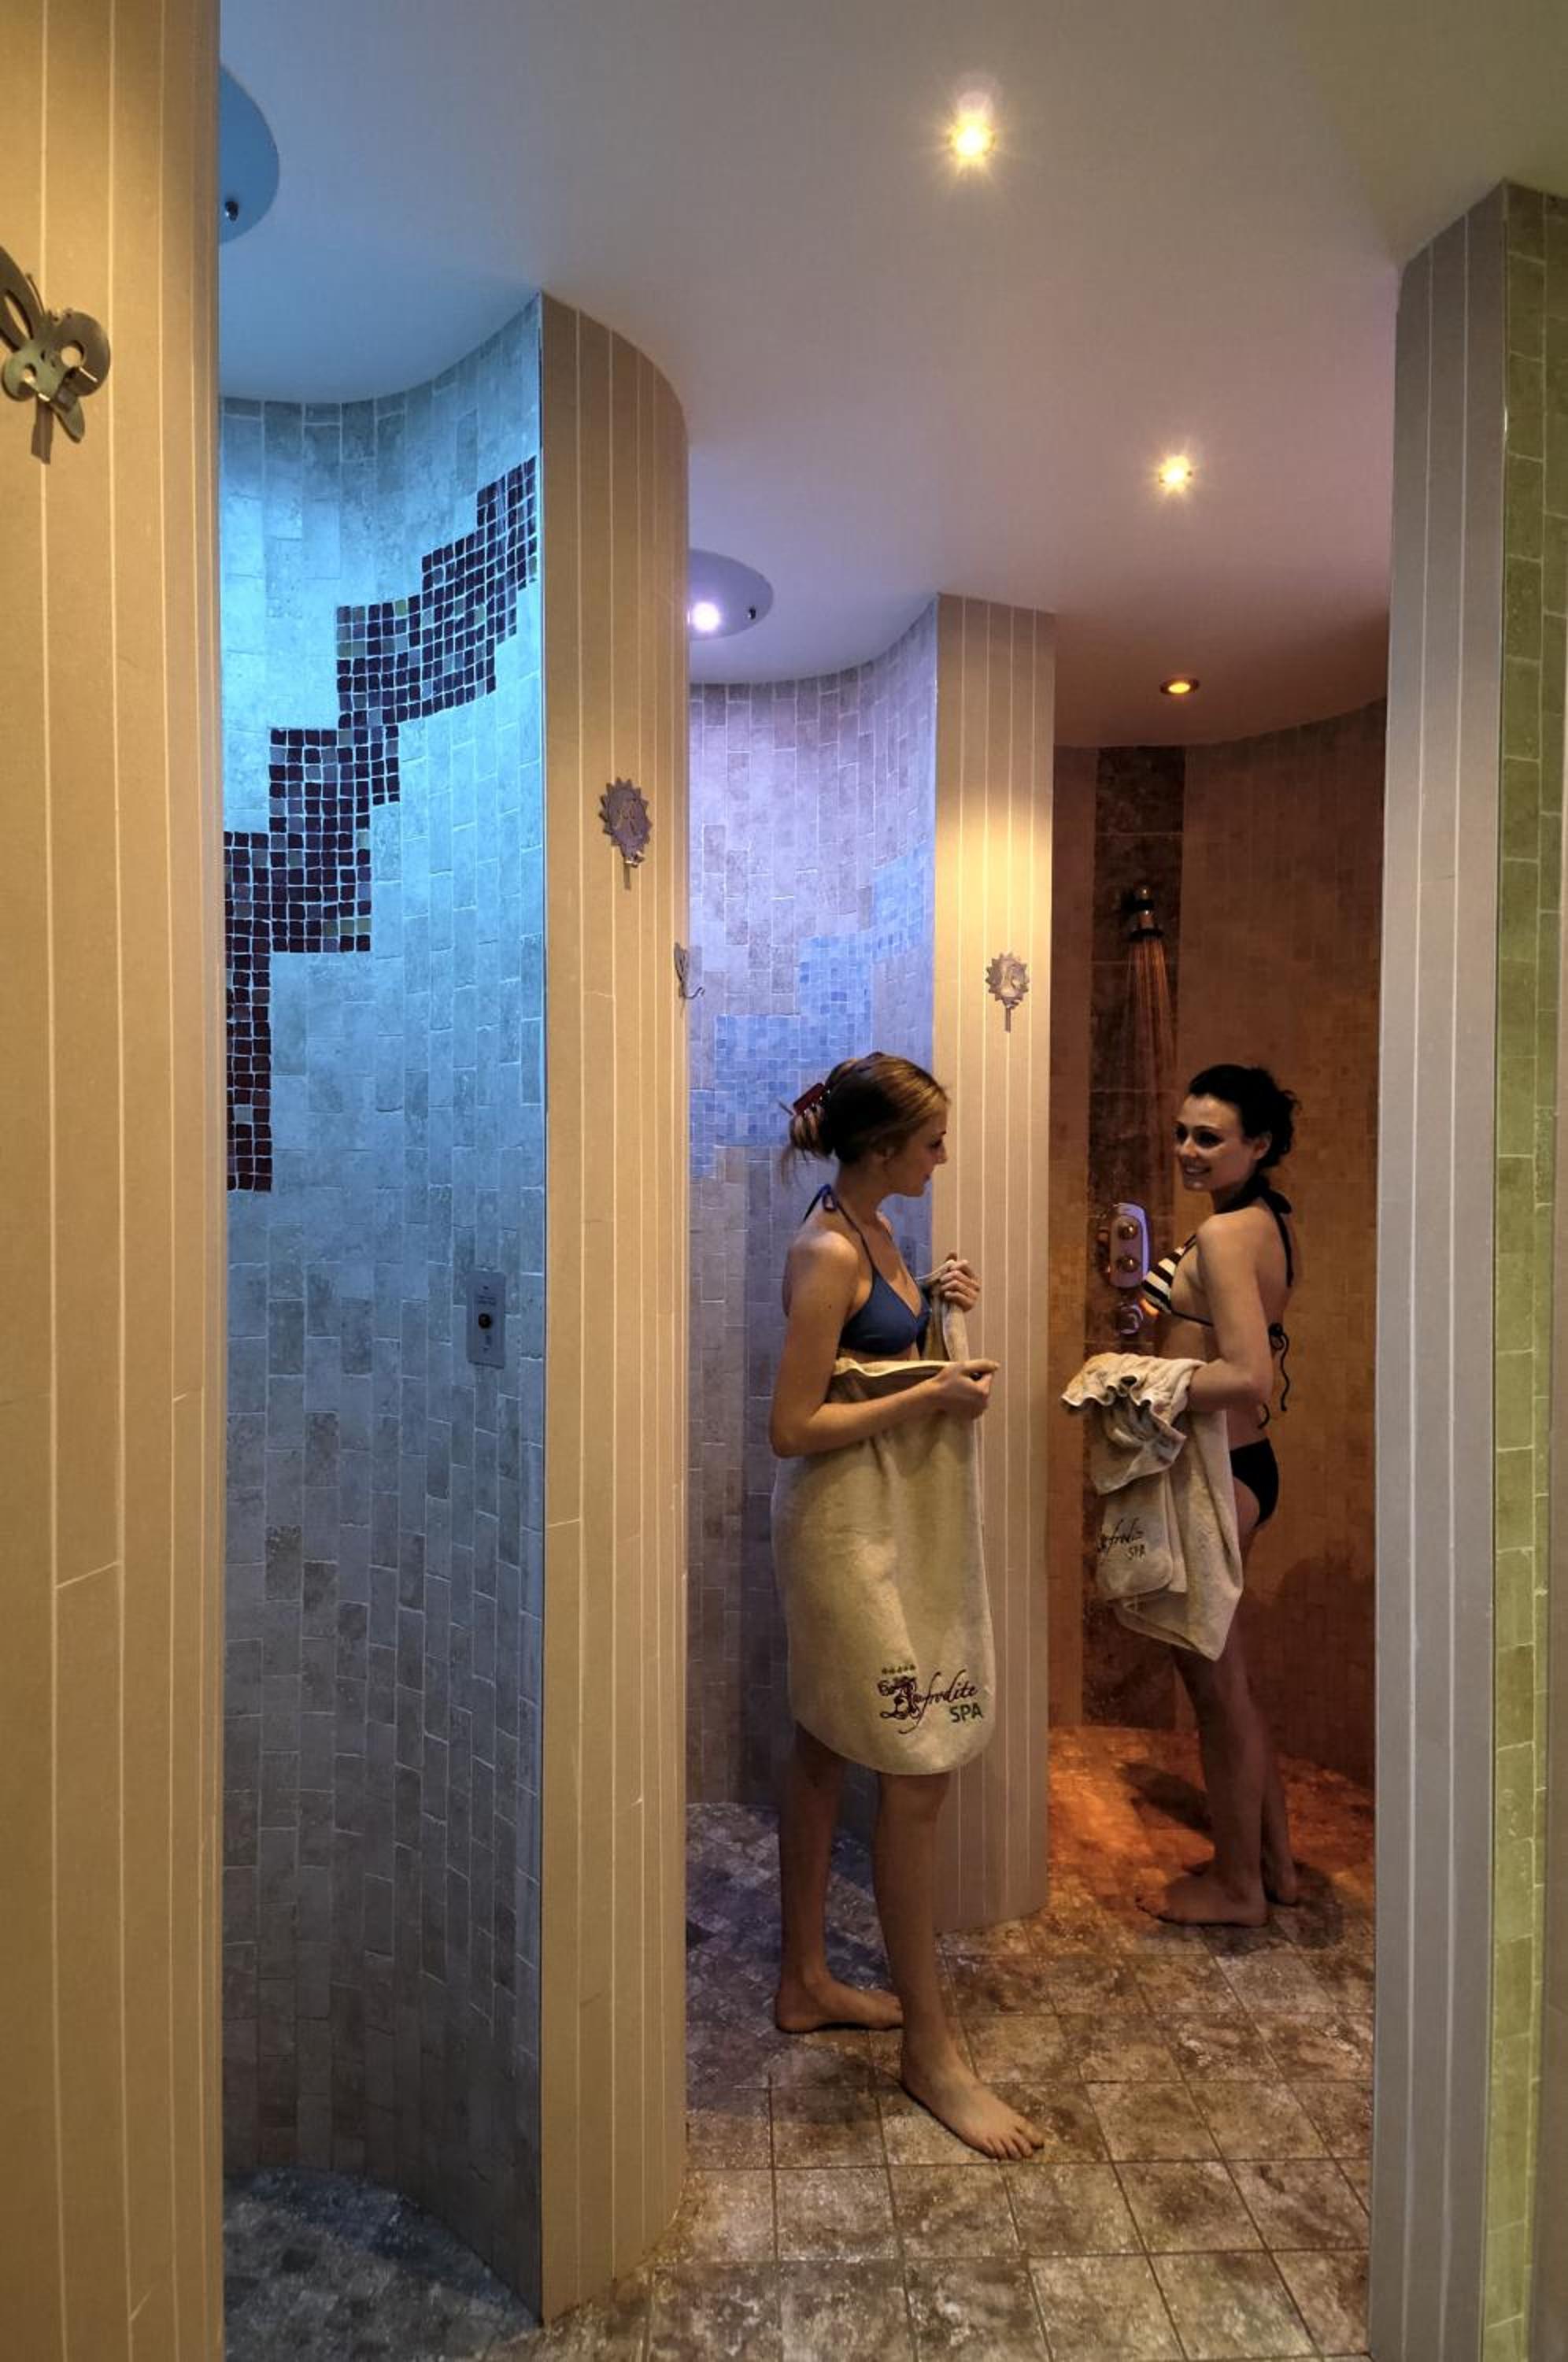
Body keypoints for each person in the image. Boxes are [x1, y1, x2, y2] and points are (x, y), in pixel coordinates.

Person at [767, 1052, 1043, 2160]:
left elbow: (863, 1363)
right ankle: (933, 2052)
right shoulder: (826, 1250)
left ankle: (804, 1979)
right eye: (932, 1142)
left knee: (823, 1747)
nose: (944, 1156)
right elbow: (792, 1426)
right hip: (840, 1536)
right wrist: (933, 1388)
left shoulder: (878, 1230)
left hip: (873, 1528)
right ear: (883, 1148)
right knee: (917, 1766)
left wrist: (933, 1308)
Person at [1137, 1063, 1300, 1926]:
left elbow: (1246, 1376)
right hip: (1241, 1465)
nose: (1188, 1151)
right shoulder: (1266, 1220)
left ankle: (1237, 1888)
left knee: (1214, 1688)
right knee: (1229, 1676)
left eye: (1210, 1137)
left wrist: (1135, 1383)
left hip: (1217, 1471)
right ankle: (1274, 1867)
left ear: (1258, 1144)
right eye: (1182, 1133)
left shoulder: (1229, 1234)